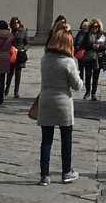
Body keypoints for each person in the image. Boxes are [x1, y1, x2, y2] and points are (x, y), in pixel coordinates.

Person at [36, 27, 84, 185]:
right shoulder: (69, 62)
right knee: (66, 138)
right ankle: (66, 171)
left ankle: (44, 175)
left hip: (46, 100)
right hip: (63, 101)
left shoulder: (45, 59)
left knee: (46, 140)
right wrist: (79, 75)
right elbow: (77, 86)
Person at [77, 19, 105, 100]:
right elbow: (82, 46)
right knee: (88, 76)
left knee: (96, 77)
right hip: (89, 57)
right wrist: (91, 46)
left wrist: (100, 46)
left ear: (99, 27)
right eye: (93, 26)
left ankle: (93, 93)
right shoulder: (87, 35)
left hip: (98, 58)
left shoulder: (101, 35)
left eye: (96, 26)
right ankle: (88, 91)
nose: (94, 28)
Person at [8, 16, 29, 98]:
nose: (16, 24)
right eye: (15, 23)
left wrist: (24, 49)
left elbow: (27, 43)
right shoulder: (10, 32)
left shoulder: (23, 32)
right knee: (9, 73)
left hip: (20, 54)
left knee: (18, 74)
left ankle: (16, 91)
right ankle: (7, 88)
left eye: (18, 22)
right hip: (11, 54)